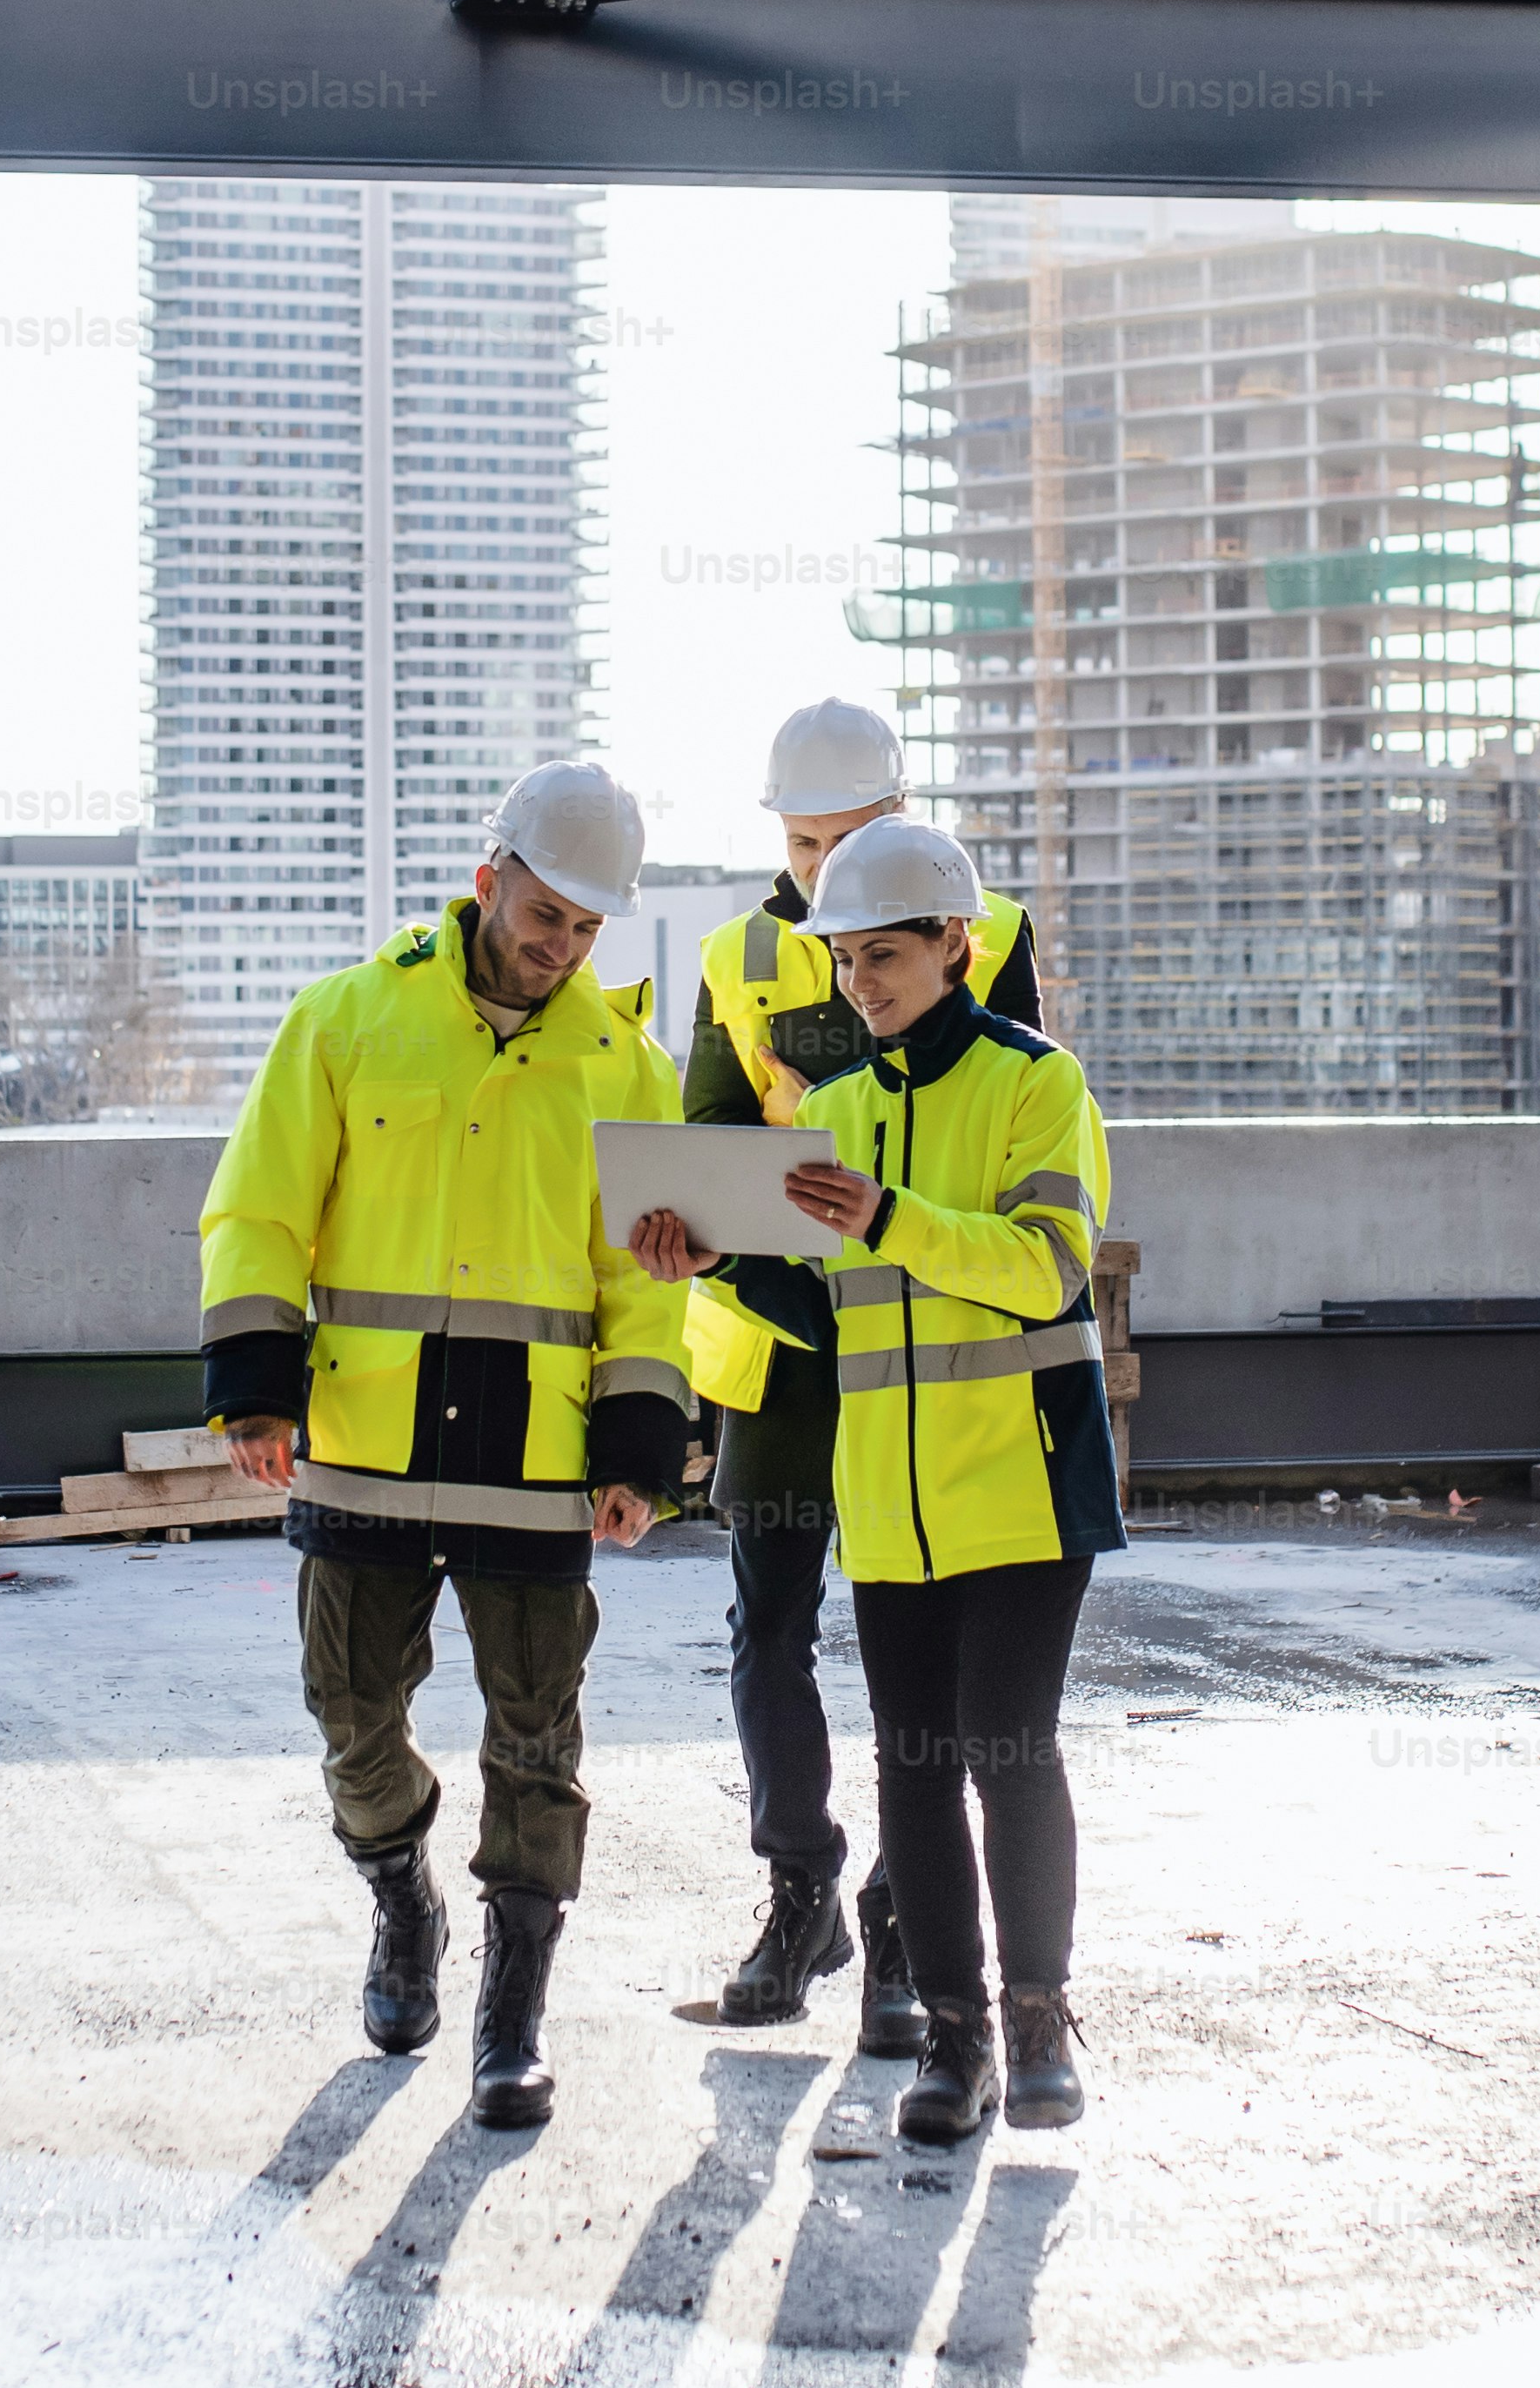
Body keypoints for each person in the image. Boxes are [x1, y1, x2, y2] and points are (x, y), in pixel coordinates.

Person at [199, 761, 693, 2130]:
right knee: (351, 1718)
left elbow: (644, 1284)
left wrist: (638, 1444)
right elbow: (258, 1209)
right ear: (488, 884)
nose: (561, 949)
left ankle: (511, 2017)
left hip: (536, 1465)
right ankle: (401, 1900)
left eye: (589, 931)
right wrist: (255, 1382)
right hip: (363, 1441)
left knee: (536, 1740)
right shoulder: (346, 1020)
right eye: (544, 918)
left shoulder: (625, 1064)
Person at [636, 814, 1114, 2143]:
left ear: (956, 942)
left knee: (1007, 1755)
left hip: (1020, 1484)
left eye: (885, 954)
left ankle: (1036, 2024)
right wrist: (716, 1262)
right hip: (891, 1510)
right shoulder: (834, 1111)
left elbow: (1045, 1267)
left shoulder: (1037, 1084)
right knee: (912, 1765)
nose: (860, 982)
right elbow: (823, 1305)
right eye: (845, 959)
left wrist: (892, 1220)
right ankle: (950, 2047)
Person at [674, 699, 1042, 2056]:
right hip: (783, 1344)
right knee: (768, 1623)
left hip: (921, 1335)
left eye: (850, 837)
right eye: (803, 837)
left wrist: (825, 1064)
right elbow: (710, 1140)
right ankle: (800, 1893)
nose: (825, 865)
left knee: (921, 1638)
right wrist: (733, 1250)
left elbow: (990, 1098)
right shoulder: (733, 954)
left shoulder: (980, 931)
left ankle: (903, 1921)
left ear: (901, 816)